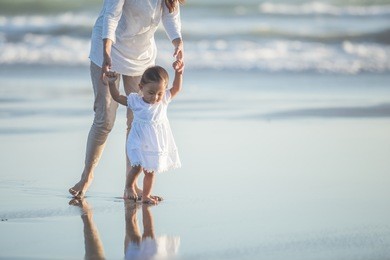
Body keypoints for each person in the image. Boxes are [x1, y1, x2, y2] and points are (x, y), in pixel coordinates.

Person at [69, 0, 185, 199]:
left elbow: (170, 15)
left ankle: (130, 185)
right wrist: (106, 51)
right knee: (105, 119)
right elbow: (111, 15)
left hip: (140, 56)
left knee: (137, 122)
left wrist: (178, 43)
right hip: (108, 48)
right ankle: (87, 176)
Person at [105, 60, 184, 204]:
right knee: (137, 166)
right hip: (138, 140)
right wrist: (111, 83)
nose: (155, 97)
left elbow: (176, 88)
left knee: (150, 171)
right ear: (141, 87)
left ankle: (146, 195)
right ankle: (129, 187)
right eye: (151, 93)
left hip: (154, 143)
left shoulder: (164, 100)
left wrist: (178, 73)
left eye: (159, 93)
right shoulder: (136, 101)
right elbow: (117, 97)